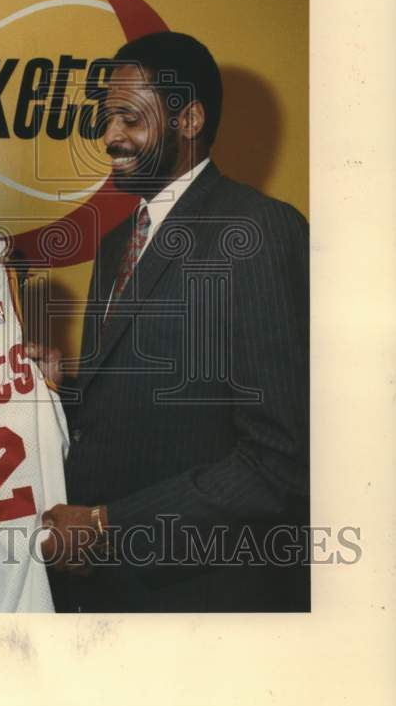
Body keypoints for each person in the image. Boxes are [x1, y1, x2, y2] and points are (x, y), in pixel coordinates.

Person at [39, 31, 309, 612]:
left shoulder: (260, 230)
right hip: (107, 595)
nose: (109, 137)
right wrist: (63, 392)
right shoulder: (115, 243)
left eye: (129, 118)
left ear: (189, 120)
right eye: (107, 118)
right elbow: (135, 410)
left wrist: (112, 527)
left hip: (201, 601)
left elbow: (277, 462)